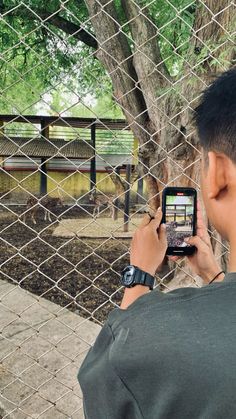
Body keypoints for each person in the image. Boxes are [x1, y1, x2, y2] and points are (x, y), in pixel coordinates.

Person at [77, 67, 236, 418]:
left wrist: (139, 275)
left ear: (218, 174)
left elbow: (112, 380)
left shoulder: (154, 337)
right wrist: (215, 277)